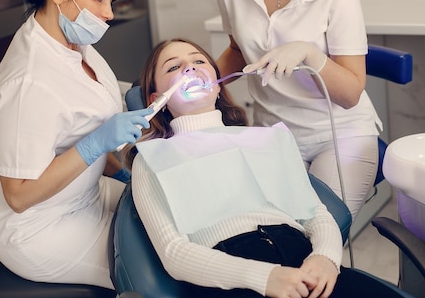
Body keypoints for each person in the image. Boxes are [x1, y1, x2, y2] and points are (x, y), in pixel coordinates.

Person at [123, 38, 410, 298]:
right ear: (154, 99)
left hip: (305, 264)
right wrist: (264, 277)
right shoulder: (151, 160)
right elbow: (175, 253)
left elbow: (316, 215)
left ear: (218, 82)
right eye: (174, 67)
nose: (190, 68)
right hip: (233, 279)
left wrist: (325, 257)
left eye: (199, 61)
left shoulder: (265, 140)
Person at [0, 0, 152, 289]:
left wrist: (124, 174)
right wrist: (96, 144)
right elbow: (18, 195)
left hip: (85, 194)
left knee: (168, 220)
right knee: (153, 270)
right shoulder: (27, 83)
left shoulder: (74, 41)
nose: (108, 13)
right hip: (39, 227)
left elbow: (81, 123)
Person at [215, 0, 381, 219]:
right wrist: (200, 79)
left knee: (316, 226)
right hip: (273, 134)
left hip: (338, 134)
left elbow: (350, 93)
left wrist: (311, 54)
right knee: (258, 228)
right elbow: (238, 50)